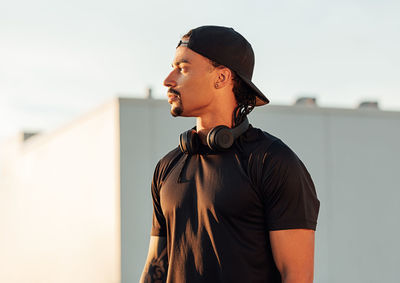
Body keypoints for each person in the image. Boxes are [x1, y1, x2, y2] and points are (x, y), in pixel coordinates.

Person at [140, 25, 320, 283]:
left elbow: (297, 276)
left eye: (183, 68)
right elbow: (155, 268)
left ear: (221, 77)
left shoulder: (273, 162)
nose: (168, 80)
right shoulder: (167, 167)